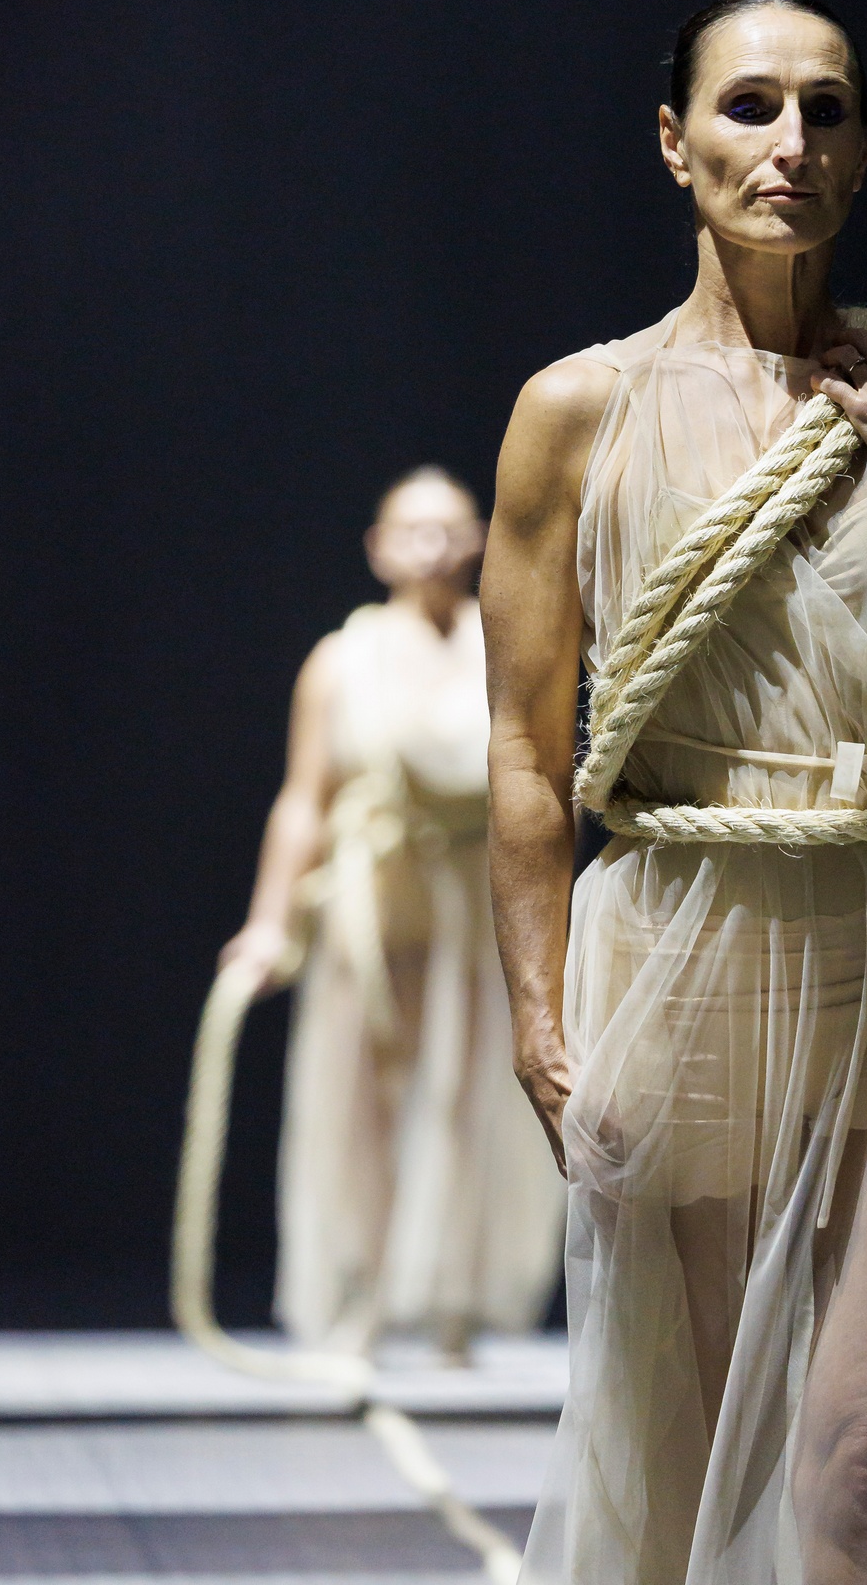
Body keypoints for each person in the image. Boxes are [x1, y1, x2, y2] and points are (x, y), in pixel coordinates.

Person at [482, 0, 867, 1582]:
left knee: (864, 1461)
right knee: (690, 1453)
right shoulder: (577, 412)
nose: (789, 141)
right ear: (675, 143)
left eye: (827, 108)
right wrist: (539, 1014)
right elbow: (529, 754)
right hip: (690, 938)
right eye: (748, 106)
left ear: (866, 151)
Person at [222, 467, 565, 1361]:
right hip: (375, 896)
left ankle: (453, 1298)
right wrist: (269, 921)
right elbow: (305, 797)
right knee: (361, 1094)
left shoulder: (506, 645)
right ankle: (359, 1292)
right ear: (378, 547)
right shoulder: (343, 659)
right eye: (411, 530)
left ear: (479, 538)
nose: (431, 547)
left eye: (448, 527)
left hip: (477, 897)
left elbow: (542, 784)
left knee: (471, 1088)